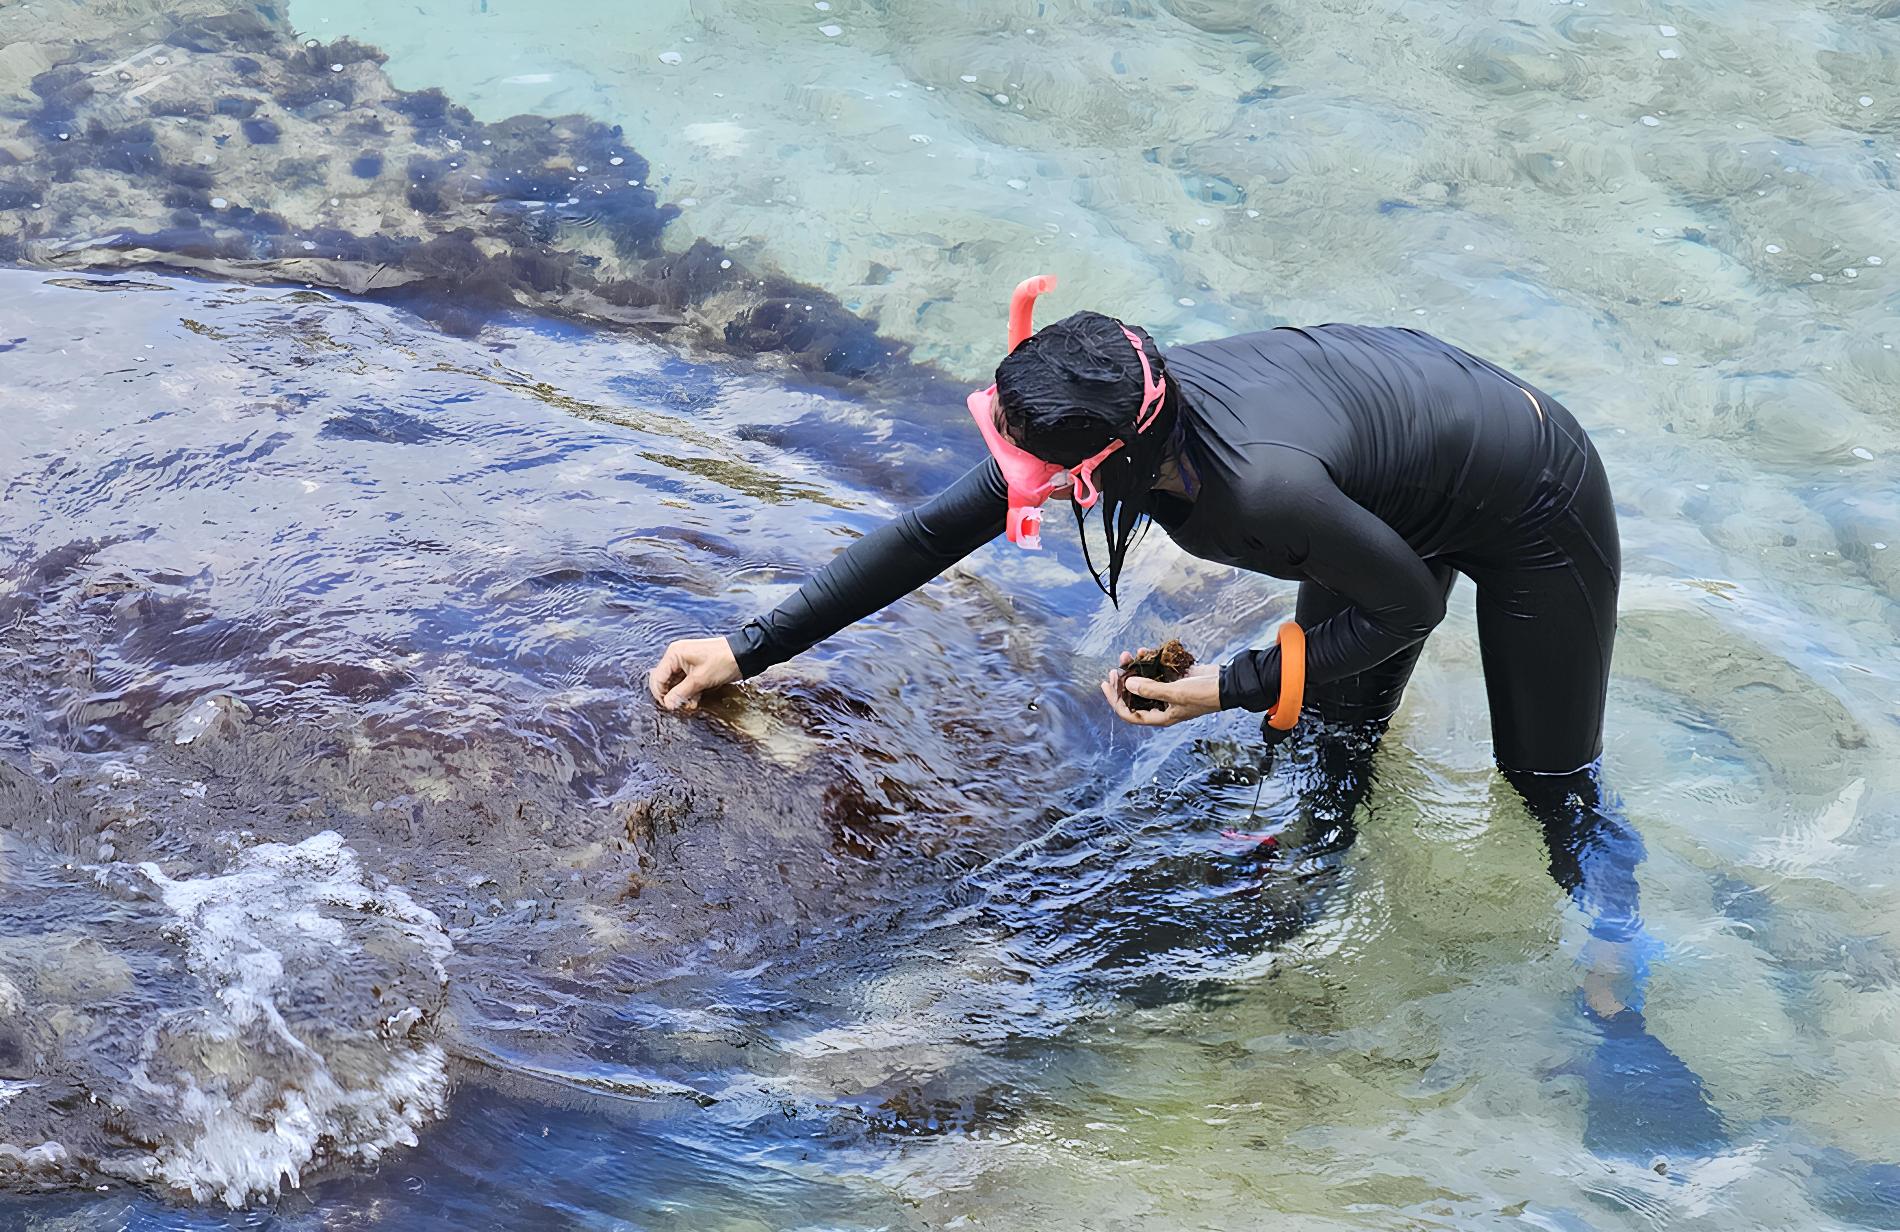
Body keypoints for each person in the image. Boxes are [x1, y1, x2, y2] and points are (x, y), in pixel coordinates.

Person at [649, 279, 1722, 1156]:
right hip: (1394, 494)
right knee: (1327, 751)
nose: (1012, 475)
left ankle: (1619, 998)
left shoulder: (1256, 491)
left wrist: (1229, 681)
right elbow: (935, 529)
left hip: (1531, 495)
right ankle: (1307, 942)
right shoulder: (1120, 405)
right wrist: (749, 642)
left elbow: (1411, 603)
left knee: (1547, 784)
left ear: (1113, 450)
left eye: (1035, 464)